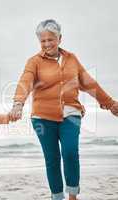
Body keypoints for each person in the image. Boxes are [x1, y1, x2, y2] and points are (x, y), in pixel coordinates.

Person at [9, 19, 118, 200]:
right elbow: (25, 81)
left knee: (70, 153)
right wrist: (18, 103)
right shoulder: (34, 62)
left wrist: (111, 103)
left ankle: (73, 196)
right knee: (52, 159)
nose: (47, 44)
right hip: (42, 117)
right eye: (42, 41)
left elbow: (89, 83)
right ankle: (57, 197)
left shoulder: (72, 59)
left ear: (60, 38)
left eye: (51, 39)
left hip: (71, 114)